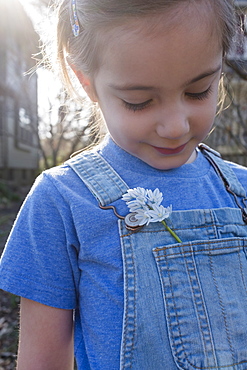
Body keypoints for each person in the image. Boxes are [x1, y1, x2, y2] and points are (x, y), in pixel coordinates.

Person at [1, 0, 247, 369]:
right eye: (139, 101)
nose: (175, 126)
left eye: (199, 91)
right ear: (88, 83)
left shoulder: (240, 190)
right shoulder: (62, 201)